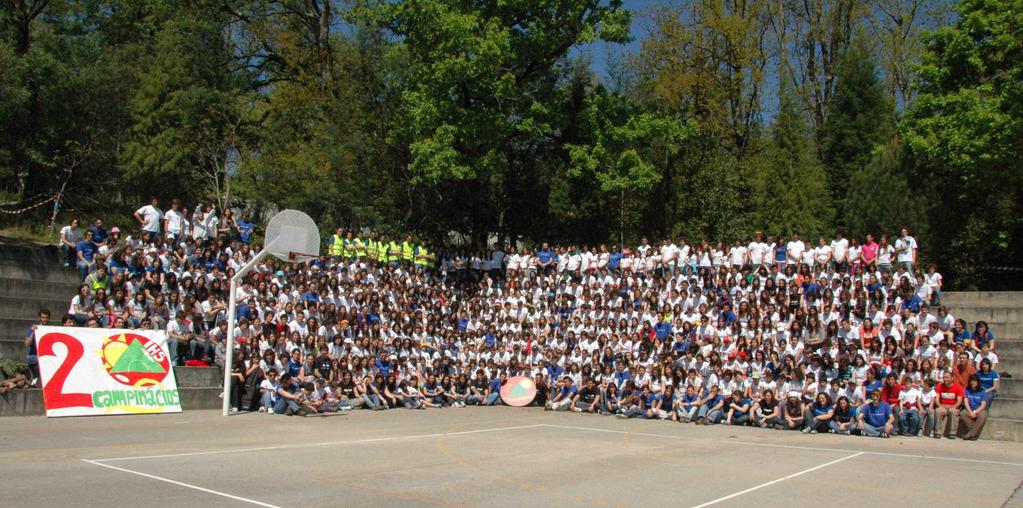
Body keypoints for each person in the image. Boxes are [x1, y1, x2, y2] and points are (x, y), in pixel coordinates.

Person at [958, 376, 990, 440]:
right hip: (970, 409)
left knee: (983, 416)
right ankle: (974, 433)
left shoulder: (983, 392)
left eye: (974, 381)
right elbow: (966, 402)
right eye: (971, 381)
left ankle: (970, 434)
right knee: (963, 414)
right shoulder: (966, 390)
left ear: (978, 382)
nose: (972, 382)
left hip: (979, 410)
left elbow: (983, 405)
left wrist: (975, 412)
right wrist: (970, 412)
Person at [934, 371, 965, 439]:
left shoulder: (958, 387)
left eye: (947, 377)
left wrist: (953, 407)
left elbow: (959, 401)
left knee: (954, 411)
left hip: (953, 405)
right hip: (943, 405)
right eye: (944, 377)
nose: (945, 379)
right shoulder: (939, 386)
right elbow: (936, 399)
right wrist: (941, 407)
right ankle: (937, 432)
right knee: (938, 411)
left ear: (952, 378)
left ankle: (952, 433)